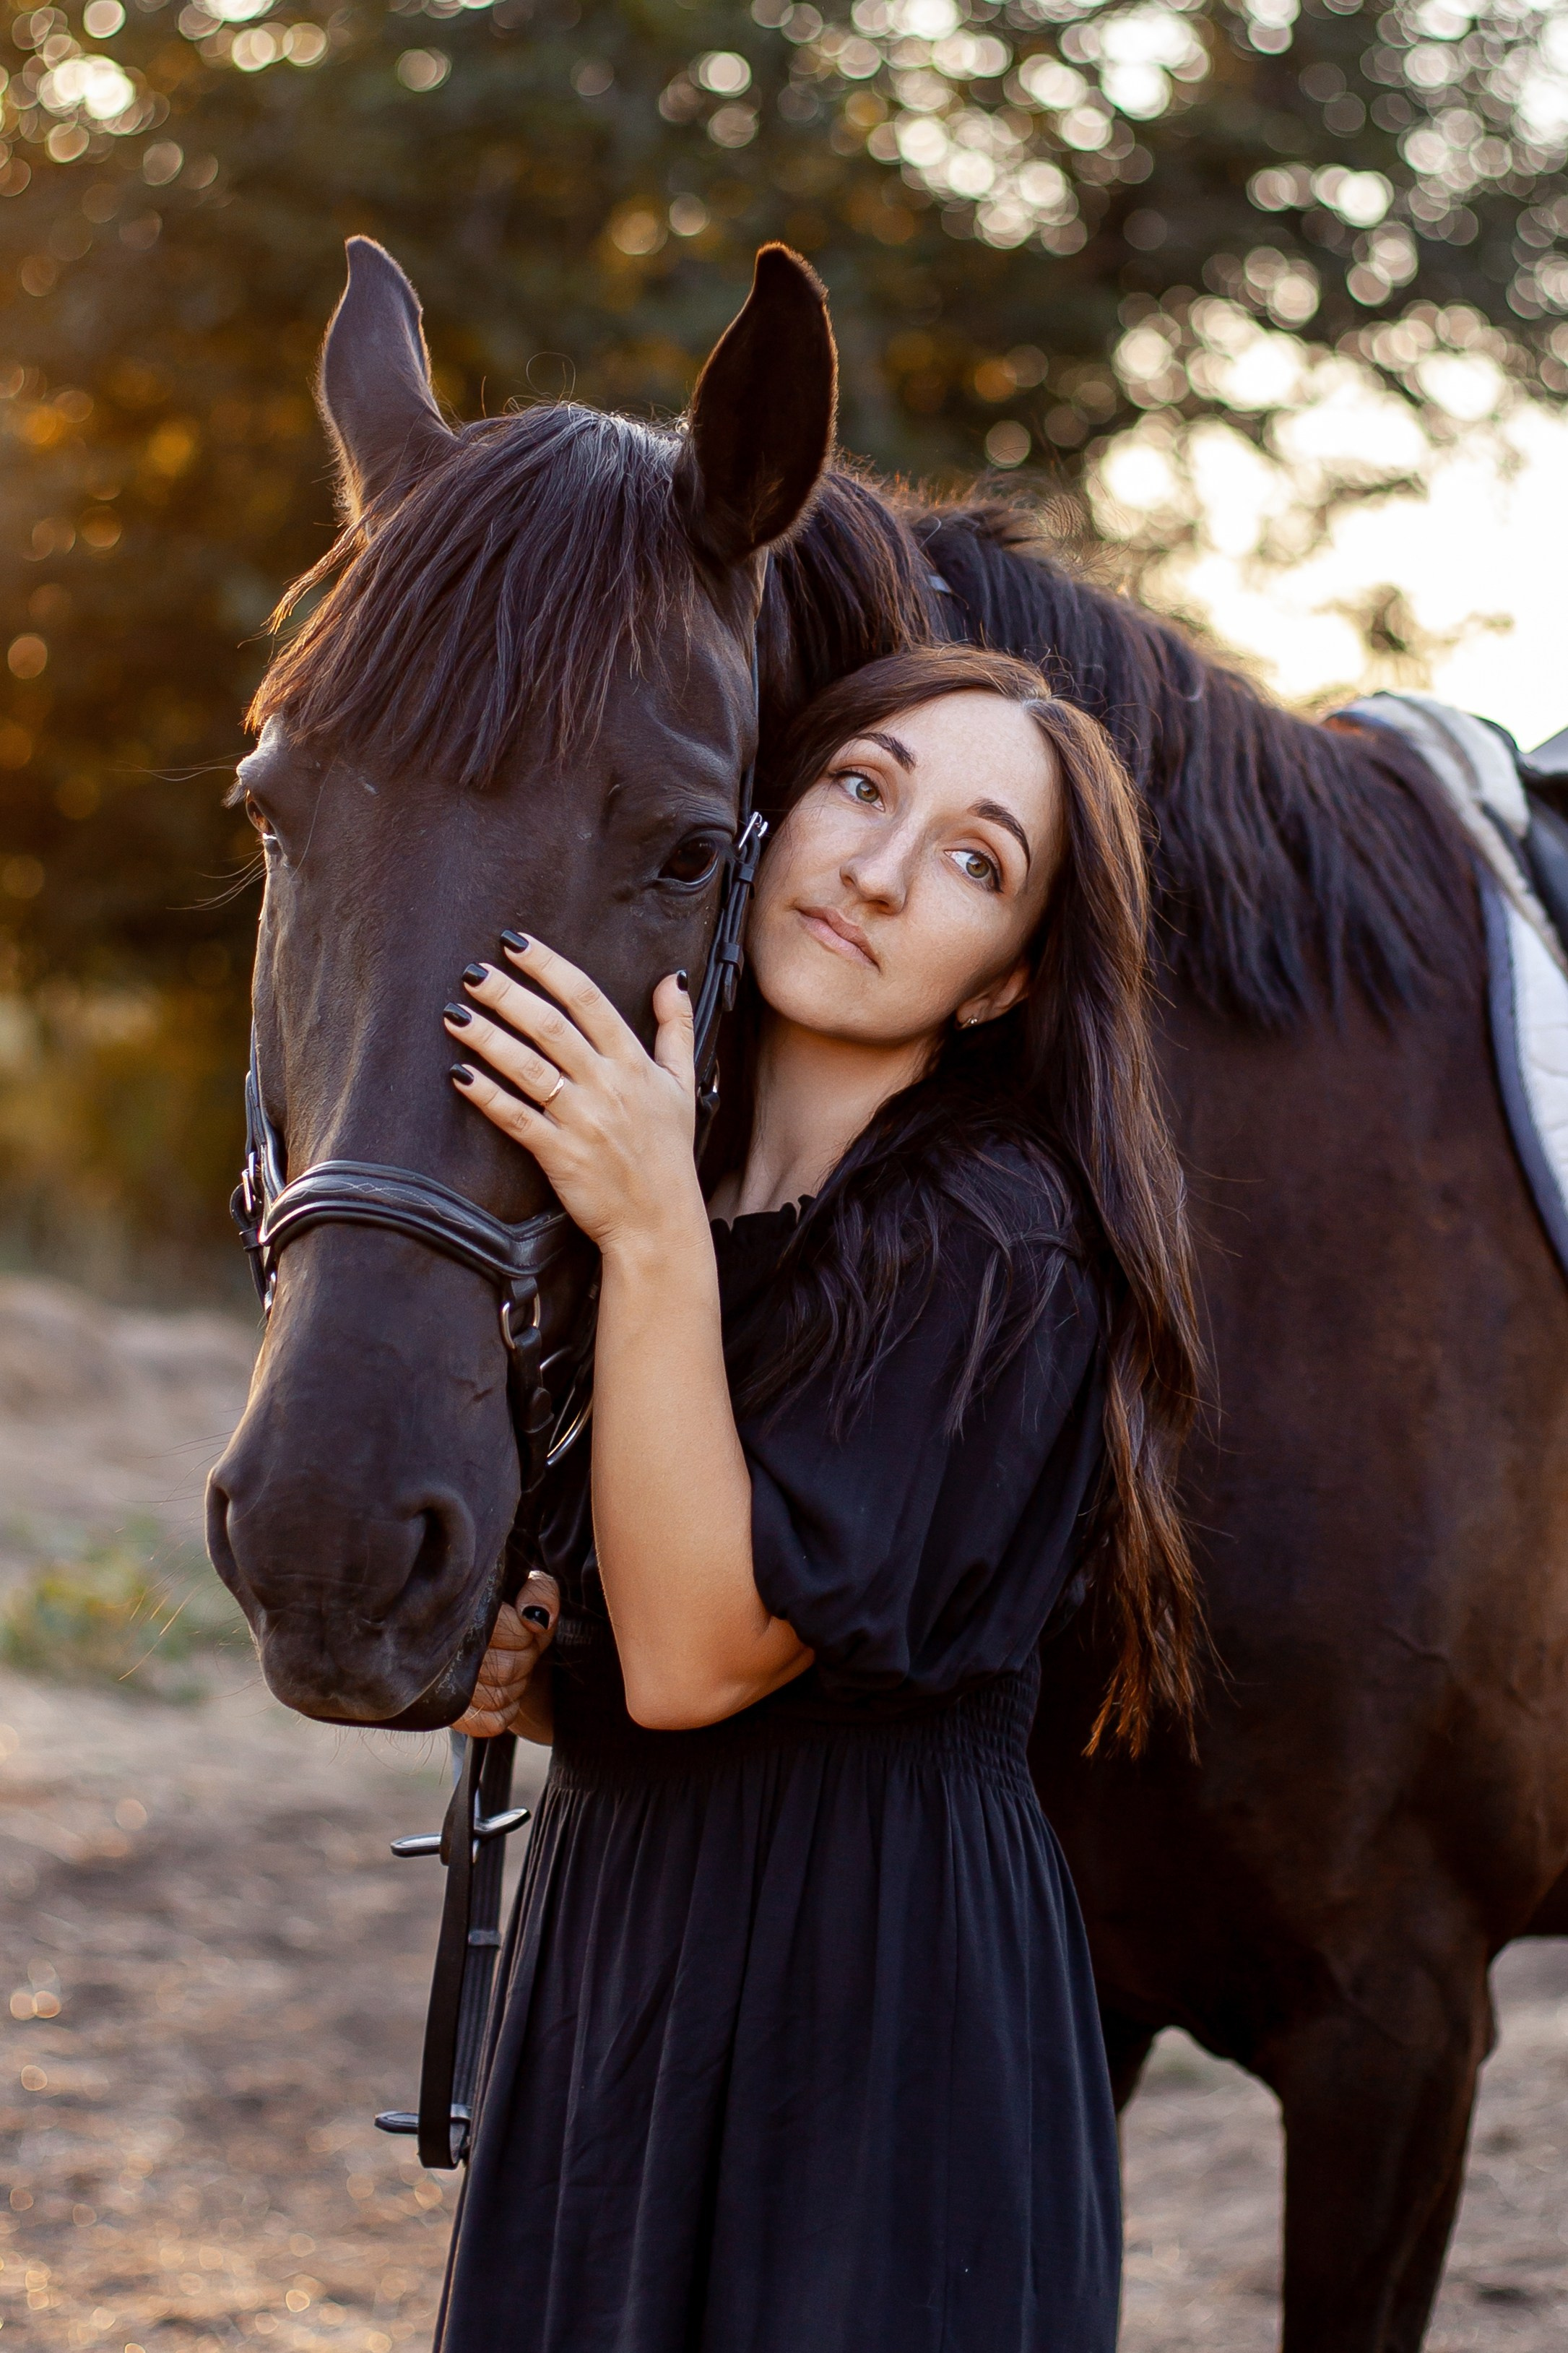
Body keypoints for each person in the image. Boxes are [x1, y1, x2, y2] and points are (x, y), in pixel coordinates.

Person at [432, 644, 1200, 2353]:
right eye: (865, 786)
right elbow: (646, 1662)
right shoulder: (665, 1189)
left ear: (1002, 983)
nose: (878, 867)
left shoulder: (994, 1238)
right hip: (626, 1955)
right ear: (773, 814)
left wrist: (643, 1232)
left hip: (873, 2016)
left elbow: (709, 1659)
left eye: (974, 859)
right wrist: (538, 1666)